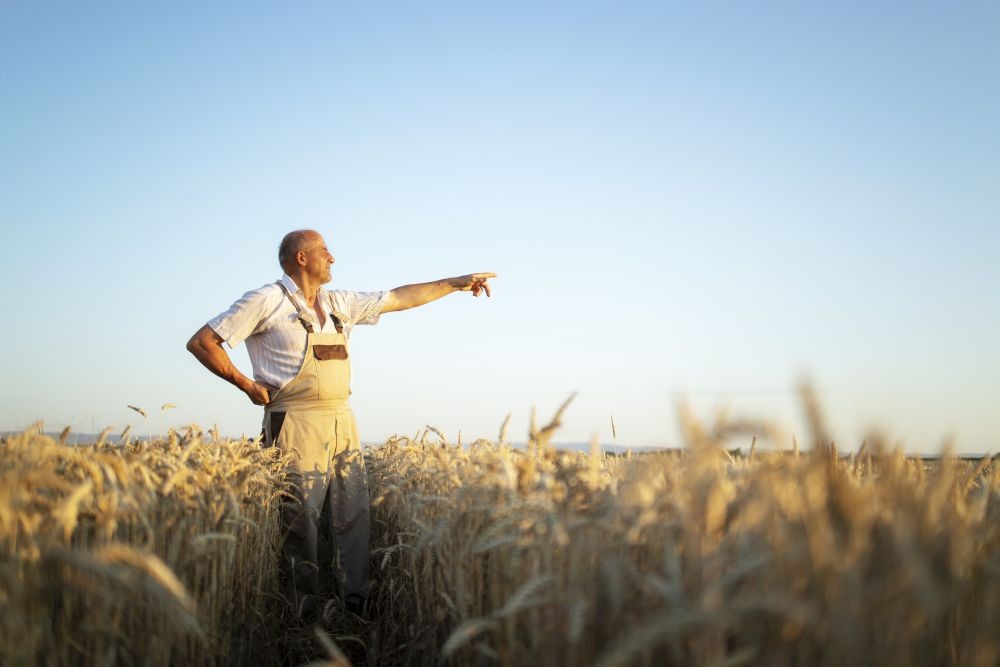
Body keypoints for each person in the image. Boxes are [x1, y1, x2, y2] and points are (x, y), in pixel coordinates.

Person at [186, 229, 495, 618]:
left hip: (342, 419)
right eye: (325, 251)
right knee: (299, 519)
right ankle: (303, 612)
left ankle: (354, 605)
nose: (332, 258)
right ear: (302, 258)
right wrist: (246, 385)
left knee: (354, 514)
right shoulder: (266, 300)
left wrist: (455, 284)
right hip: (294, 420)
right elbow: (203, 342)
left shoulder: (338, 303)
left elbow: (398, 298)